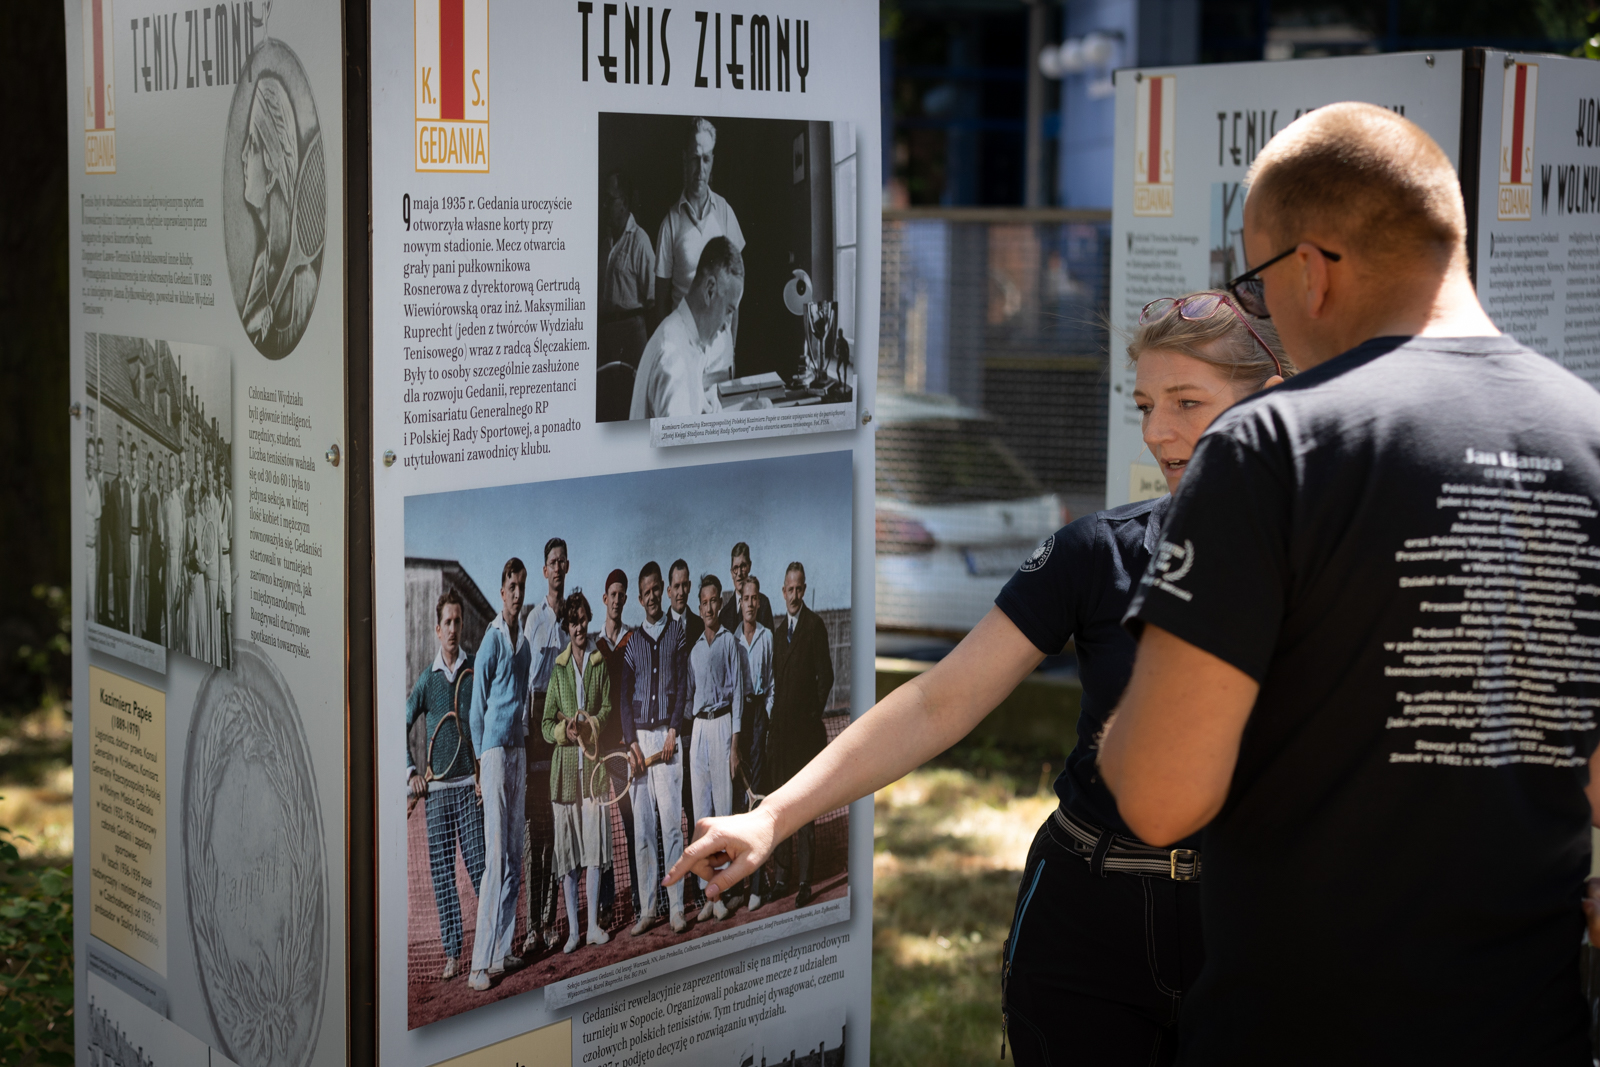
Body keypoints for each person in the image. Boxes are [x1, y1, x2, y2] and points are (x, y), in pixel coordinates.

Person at [1095, 103, 1600, 1063]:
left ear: (1312, 271)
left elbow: (1160, 797)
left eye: (1256, 283)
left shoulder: (1270, 443)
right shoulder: (1590, 437)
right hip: (1529, 1027)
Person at [665, 290, 1291, 1061]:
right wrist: (773, 816)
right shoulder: (1094, 553)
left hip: (1250, 927)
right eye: (1144, 405)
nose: (1158, 431)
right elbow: (937, 700)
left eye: (1187, 402)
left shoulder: (1331, 566)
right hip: (1086, 927)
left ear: (1269, 405)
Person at [406, 590, 486, 981]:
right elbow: (400, 724)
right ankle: (453, 952)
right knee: (442, 876)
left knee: (482, 870)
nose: (453, 629)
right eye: (447, 623)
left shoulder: (475, 670)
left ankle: (493, 945)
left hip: (470, 790)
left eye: (458, 621)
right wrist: (411, 773)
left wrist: (484, 771)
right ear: (437, 630)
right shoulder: (427, 680)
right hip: (436, 796)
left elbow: (488, 721)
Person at [467, 559, 534, 992]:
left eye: (521, 586)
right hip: (492, 755)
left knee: (513, 856)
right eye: (511, 585)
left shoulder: (524, 647)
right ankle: (478, 964)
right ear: (501, 590)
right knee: (495, 859)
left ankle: (501, 951)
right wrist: (480, 764)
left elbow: (522, 703)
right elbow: (477, 710)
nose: (517, 593)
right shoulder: (491, 640)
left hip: (518, 754)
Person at [541, 590, 614, 953]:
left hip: (594, 772)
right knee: (569, 857)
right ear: (566, 627)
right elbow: (544, 724)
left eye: (583, 620)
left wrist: (591, 726)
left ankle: (594, 927)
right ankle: (573, 932)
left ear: (589, 620)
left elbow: (608, 708)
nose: (579, 627)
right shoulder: (557, 669)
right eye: (573, 622)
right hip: (566, 776)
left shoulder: (600, 663)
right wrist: (564, 732)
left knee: (595, 851)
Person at [620, 561, 689, 934]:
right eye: (645, 593)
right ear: (640, 597)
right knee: (644, 830)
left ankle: (676, 907)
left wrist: (674, 729)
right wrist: (632, 742)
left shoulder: (677, 633)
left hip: (667, 739)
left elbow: (682, 688)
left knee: (672, 827)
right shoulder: (633, 643)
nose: (651, 597)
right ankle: (648, 910)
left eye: (655, 590)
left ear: (663, 589)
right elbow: (623, 700)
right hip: (640, 745)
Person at [653, 116, 745, 384]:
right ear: (684, 159)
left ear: (712, 161)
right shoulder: (670, 223)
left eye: (706, 159)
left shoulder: (725, 213)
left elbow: (736, 290)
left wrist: (731, 346)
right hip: (683, 349)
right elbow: (660, 303)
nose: (700, 168)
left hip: (720, 351)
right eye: (694, 159)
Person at [764, 563, 834, 906]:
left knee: (804, 811)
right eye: (789, 590)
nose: (794, 595)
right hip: (781, 739)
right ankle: (782, 878)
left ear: (804, 590)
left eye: (798, 589)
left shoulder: (815, 626)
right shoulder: (778, 635)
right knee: (780, 807)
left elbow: (827, 677)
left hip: (805, 739)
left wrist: (810, 718)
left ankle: (805, 881)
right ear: (783, 592)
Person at [240, 73, 317, 357]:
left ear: (272, 173)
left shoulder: (304, 284)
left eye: (253, 145)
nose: (243, 156)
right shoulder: (263, 264)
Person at [629, 236, 744, 420]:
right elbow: (683, 439)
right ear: (710, 290)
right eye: (728, 310)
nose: (727, 325)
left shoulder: (685, 339)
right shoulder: (673, 357)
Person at [686, 574, 746, 921]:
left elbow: (738, 695)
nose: (709, 608)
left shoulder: (729, 642)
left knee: (723, 814)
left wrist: (735, 744)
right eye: (704, 603)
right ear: (699, 608)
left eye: (713, 602)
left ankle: (722, 892)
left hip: (723, 726)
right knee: (703, 817)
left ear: (720, 604)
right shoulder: (695, 649)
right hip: (699, 731)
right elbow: (690, 694)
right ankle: (708, 896)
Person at [522, 538, 571, 955]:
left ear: (567, 567)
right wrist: (526, 735)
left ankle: (551, 923)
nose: (557, 568)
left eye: (561, 562)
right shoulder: (533, 619)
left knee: (556, 834)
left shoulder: (572, 618)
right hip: (535, 729)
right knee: (534, 837)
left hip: (562, 724)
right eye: (551, 562)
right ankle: (532, 927)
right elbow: (525, 682)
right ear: (545, 571)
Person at [592, 568, 639, 928]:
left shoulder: (632, 640)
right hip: (598, 749)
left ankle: (639, 895)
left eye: (623, 595)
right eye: (613, 594)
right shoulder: (594, 646)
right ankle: (606, 905)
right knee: (601, 829)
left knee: (631, 822)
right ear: (604, 598)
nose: (617, 600)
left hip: (622, 746)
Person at [733, 575, 775, 911]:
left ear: (759, 602)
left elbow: (772, 683)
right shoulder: (731, 639)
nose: (750, 603)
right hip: (739, 719)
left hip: (760, 717)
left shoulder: (767, 637)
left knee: (758, 798)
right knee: (738, 800)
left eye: (754, 598)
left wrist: (767, 719)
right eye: (745, 598)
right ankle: (737, 886)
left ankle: (758, 886)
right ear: (740, 601)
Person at [599, 171, 655, 370]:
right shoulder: (605, 245)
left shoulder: (640, 241)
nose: (604, 205)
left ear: (623, 202)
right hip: (607, 336)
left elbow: (652, 300)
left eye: (609, 199)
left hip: (632, 337)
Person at [718, 542, 774, 634]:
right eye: (735, 568)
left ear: (749, 566)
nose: (739, 573)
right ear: (731, 573)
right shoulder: (724, 614)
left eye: (743, 566)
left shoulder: (763, 604)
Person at [163, 453, 186, 651]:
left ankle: (178, 651)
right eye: (169, 470)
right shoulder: (166, 504)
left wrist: (179, 579)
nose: (171, 474)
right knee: (168, 612)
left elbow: (182, 541)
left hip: (178, 564)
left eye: (173, 470)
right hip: (167, 563)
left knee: (178, 613)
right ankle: (170, 650)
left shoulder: (180, 503)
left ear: (177, 473)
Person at [108, 438, 130, 631]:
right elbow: (110, 520)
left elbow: (129, 518)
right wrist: (116, 540)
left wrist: (125, 540)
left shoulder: (129, 488)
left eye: (124, 458)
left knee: (126, 591)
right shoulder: (113, 487)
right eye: (119, 458)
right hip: (117, 549)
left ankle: (126, 628)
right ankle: (116, 627)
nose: (121, 461)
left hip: (127, 548)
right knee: (117, 587)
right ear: (117, 461)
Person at [144, 457, 165, 644]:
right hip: (154, 553)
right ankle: (153, 636)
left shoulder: (163, 496)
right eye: (153, 474)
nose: (158, 479)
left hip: (162, 553)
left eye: (159, 476)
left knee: (161, 598)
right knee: (154, 597)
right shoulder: (151, 495)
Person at [128, 442, 146, 638]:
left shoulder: (141, 485)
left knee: (139, 584)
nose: (133, 463)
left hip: (140, 540)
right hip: (129, 539)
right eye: (131, 459)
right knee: (130, 584)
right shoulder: (127, 483)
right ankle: (131, 630)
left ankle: (139, 629)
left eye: (135, 459)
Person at [85, 437, 101, 628]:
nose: (90, 461)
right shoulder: (79, 483)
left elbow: (97, 518)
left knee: (91, 596)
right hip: (80, 548)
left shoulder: (95, 486)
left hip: (92, 549)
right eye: (87, 458)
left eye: (92, 457)